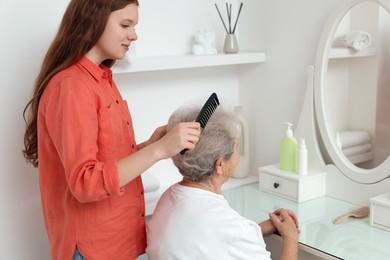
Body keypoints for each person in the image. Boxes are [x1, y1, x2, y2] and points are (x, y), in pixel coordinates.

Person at [22, 1, 201, 259]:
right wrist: (159, 151)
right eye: (125, 24)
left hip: (117, 242)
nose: (134, 35)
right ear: (93, 20)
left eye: (134, 26)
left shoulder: (101, 79)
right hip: (92, 248)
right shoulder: (73, 86)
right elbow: (86, 183)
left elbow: (106, 164)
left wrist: (150, 146)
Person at [146, 104, 300, 260]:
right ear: (219, 165)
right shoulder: (229, 227)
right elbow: (226, 233)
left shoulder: (168, 199)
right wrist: (291, 237)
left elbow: (208, 238)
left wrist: (255, 230)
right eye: (236, 148)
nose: (238, 155)